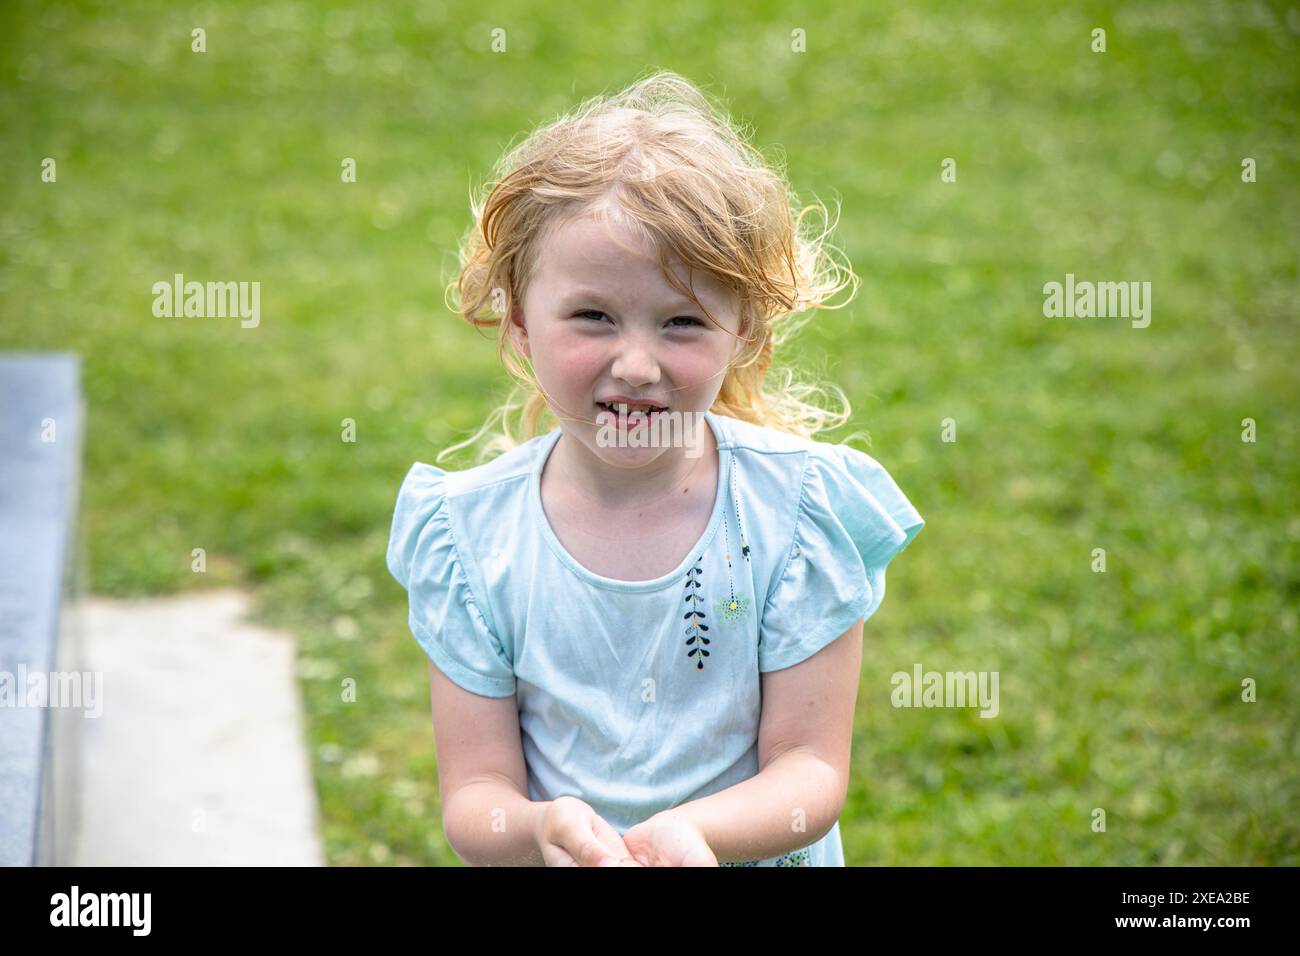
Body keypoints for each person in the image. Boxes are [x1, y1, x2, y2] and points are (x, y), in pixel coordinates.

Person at [386, 69, 924, 866]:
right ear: (520, 322)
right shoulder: (471, 540)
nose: (636, 365)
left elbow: (809, 769)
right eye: (594, 316)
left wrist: (698, 833)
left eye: (681, 323)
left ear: (744, 333)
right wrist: (538, 829)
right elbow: (476, 794)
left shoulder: (800, 515)